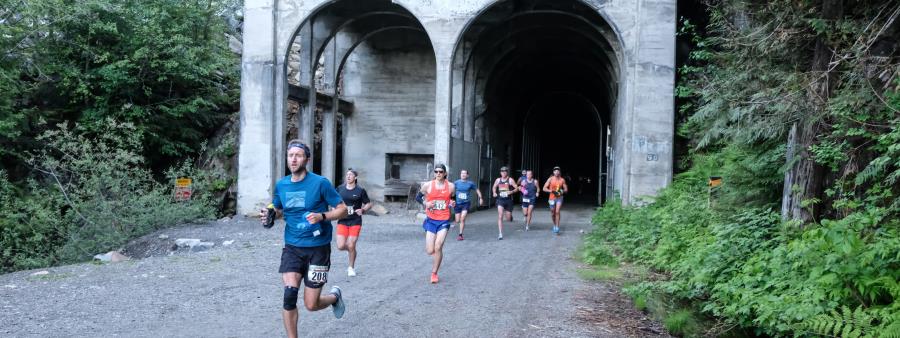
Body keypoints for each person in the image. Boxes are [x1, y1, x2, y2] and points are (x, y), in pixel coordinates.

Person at [259, 139, 348, 338]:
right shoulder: (282, 185)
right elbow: (278, 208)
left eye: (298, 155)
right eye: (290, 155)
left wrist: (322, 216)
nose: (293, 159)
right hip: (292, 247)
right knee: (289, 295)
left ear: (307, 159)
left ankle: (334, 297)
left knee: (311, 304)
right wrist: (270, 214)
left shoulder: (320, 183)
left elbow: (342, 209)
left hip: (318, 249)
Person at [419, 163, 456, 283]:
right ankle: (437, 255)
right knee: (430, 250)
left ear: (445, 173)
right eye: (436, 172)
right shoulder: (428, 185)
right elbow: (418, 197)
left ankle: (434, 273)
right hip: (431, 220)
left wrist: (452, 202)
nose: (438, 174)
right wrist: (426, 203)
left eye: (440, 172)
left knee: (438, 246)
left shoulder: (451, 186)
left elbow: (453, 198)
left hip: (444, 219)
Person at [335, 168, 372, 277]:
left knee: (351, 244)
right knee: (340, 246)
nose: (348, 176)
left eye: (351, 175)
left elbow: (368, 203)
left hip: (355, 221)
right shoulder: (340, 189)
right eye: (347, 174)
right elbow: (334, 200)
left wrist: (363, 210)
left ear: (355, 177)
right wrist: (334, 208)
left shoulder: (360, 190)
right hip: (342, 220)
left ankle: (351, 268)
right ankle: (351, 250)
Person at [453, 169, 483, 241]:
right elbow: (451, 191)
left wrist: (481, 198)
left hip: (466, 203)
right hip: (457, 203)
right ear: (460, 175)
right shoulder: (456, 183)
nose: (463, 174)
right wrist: (451, 200)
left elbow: (477, 190)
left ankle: (460, 235)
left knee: (462, 218)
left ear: (467, 175)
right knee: (457, 220)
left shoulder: (470, 183)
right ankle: (459, 222)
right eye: (462, 173)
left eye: (465, 173)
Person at [491, 166, 518, 240]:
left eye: (505, 172)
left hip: (508, 200)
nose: (503, 173)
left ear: (507, 172)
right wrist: (494, 192)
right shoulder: (498, 180)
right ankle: (500, 234)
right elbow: (494, 187)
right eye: (502, 172)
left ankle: (510, 217)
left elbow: (517, 188)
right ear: (500, 173)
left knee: (508, 218)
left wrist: (511, 191)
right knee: (500, 216)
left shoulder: (510, 180)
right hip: (500, 200)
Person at [542, 166, 568, 235]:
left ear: (559, 172)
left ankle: (557, 227)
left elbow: (566, 189)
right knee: (552, 213)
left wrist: (562, 191)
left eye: (558, 171)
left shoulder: (562, 180)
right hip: (551, 198)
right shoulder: (550, 179)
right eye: (555, 171)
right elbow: (544, 188)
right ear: (553, 172)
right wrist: (552, 191)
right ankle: (554, 224)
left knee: (557, 211)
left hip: (559, 197)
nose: (556, 172)